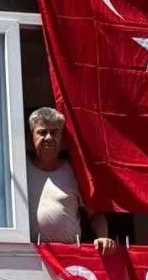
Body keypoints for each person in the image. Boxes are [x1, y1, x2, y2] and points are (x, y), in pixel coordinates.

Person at [27, 107, 117, 255]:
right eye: (42, 132)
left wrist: (102, 237)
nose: (48, 138)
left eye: (54, 133)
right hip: (30, 257)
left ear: (62, 138)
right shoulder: (22, 169)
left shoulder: (74, 170)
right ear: (32, 135)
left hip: (69, 257)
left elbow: (95, 214)